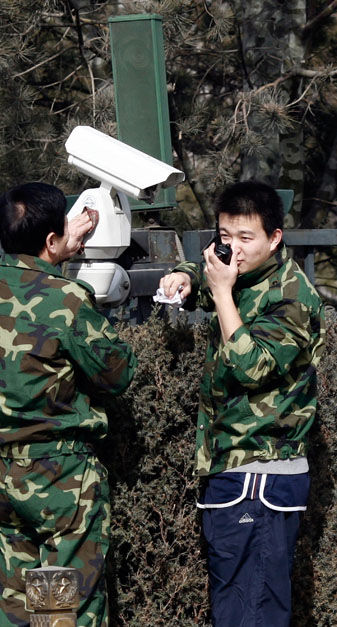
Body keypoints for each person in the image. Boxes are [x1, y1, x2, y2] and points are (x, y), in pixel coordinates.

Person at [0, 182, 137, 627]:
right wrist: (62, 264)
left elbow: (21, 276)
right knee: (59, 613)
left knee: (12, 611)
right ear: (54, 239)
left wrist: (52, 248)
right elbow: (118, 374)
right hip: (59, 481)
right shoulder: (68, 299)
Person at [159, 181, 325, 626]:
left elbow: (251, 367)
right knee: (237, 606)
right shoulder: (244, 274)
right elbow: (208, 266)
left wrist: (219, 293)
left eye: (246, 238)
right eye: (224, 237)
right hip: (235, 470)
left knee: (252, 613)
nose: (232, 249)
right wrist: (186, 276)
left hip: (261, 475)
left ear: (275, 238)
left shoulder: (292, 297)